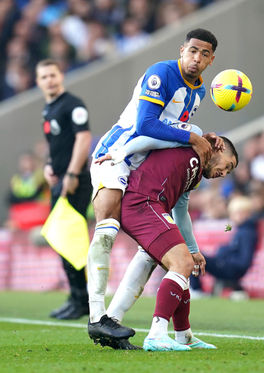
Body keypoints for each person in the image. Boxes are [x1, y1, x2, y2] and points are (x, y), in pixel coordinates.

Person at [87, 28, 219, 342]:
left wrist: (197, 133)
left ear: (211, 60)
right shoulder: (162, 73)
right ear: (182, 49)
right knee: (107, 227)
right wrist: (193, 136)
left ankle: (111, 321)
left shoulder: (198, 93)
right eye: (192, 51)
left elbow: (170, 132)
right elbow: (146, 123)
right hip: (116, 154)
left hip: (142, 169)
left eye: (204, 54)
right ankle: (96, 315)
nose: (196, 58)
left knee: (151, 251)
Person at [105, 136, 238, 351]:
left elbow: (181, 211)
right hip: (142, 202)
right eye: (227, 166)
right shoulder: (190, 141)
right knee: (181, 263)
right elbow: (150, 135)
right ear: (218, 147)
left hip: (151, 206)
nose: (224, 173)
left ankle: (182, 335)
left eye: (229, 172)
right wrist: (122, 152)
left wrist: (194, 250)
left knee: (172, 263)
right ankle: (156, 334)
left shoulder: (194, 176)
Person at [36, 59, 92, 320]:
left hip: (75, 181)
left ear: (61, 76)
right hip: (60, 179)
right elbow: (57, 144)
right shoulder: (49, 109)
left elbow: (83, 138)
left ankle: (83, 301)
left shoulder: (73, 104)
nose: (50, 80)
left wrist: (71, 173)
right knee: (62, 240)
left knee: (70, 240)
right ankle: (76, 297)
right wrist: (50, 164)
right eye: (44, 76)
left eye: (53, 75)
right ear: (38, 82)